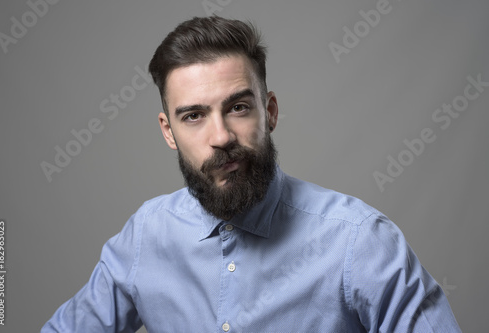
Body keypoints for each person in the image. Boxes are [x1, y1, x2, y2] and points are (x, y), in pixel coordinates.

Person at [42, 16, 461, 332]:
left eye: (238, 107)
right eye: (193, 116)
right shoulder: (143, 238)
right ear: (168, 131)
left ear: (270, 111)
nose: (221, 136)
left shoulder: (360, 243)